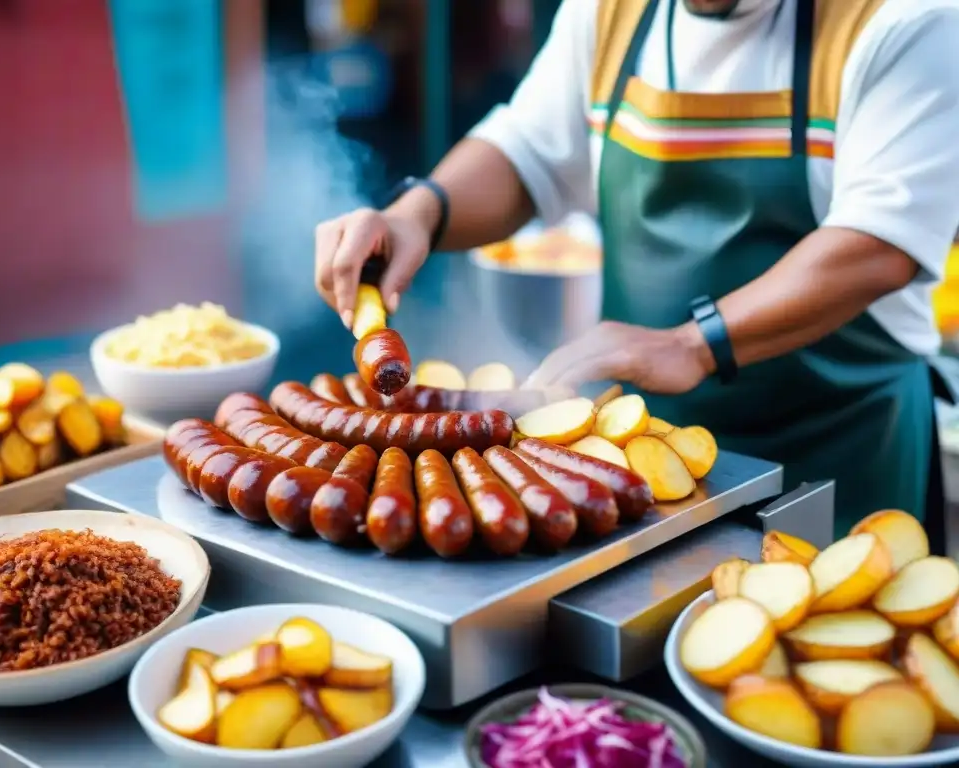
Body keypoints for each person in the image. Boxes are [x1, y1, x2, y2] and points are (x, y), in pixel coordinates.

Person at [313, 0, 959, 544]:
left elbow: (878, 242)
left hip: (842, 454)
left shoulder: (908, 20)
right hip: (648, 460)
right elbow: (529, 152)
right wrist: (418, 214)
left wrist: (688, 344)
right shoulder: (613, 10)